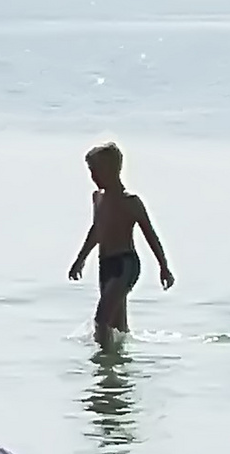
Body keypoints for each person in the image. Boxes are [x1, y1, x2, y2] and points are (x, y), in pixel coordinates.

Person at [67, 141, 175, 347]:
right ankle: (121, 369)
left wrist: (164, 267)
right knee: (117, 327)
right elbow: (96, 230)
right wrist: (80, 260)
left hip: (126, 265)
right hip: (105, 265)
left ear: (113, 170)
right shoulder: (97, 198)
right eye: (91, 171)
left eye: (96, 171)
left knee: (101, 320)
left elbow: (150, 235)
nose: (93, 177)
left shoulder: (131, 202)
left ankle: (104, 365)